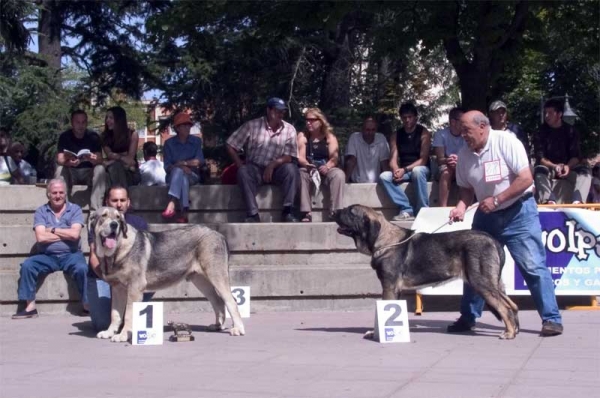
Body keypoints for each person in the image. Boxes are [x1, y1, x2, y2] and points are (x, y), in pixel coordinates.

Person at [447, 111, 563, 337]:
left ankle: (551, 319)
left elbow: (526, 178)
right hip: (486, 216)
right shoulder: (464, 154)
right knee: (473, 267)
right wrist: (460, 206)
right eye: (461, 132)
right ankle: (468, 317)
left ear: (482, 127)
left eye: (467, 131)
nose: (464, 136)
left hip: (519, 213)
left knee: (532, 266)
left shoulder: (507, 141)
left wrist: (498, 199)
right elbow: (466, 189)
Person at [12, 178, 88, 319]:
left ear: (66, 194)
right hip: (47, 256)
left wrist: (52, 230)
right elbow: (41, 238)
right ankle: (30, 308)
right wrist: (66, 233)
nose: (58, 196)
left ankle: (87, 306)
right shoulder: (41, 211)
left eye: (61, 192)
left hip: (71, 254)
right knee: (28, 266)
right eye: (54, 193)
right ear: (48, 194)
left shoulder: (75, 209)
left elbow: (75, 234)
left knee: (82, 268)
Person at [87, 185, 152, 331]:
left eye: (123, 200)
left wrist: (125, 283)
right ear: (107, 201)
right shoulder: (97, 222)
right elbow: (94, 257)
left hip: (128, 278)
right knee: (102, 324)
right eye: (114, 200)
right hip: (102, 276)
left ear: (128, 202)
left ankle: (129, 315)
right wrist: (111, 280)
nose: (119, 204)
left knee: (147, 279)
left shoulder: (139, 223)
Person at [226, 97, 299, 223]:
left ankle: (288, 211)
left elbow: (290, 156)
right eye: (277, 111)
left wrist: (274, 164)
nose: (280, 114)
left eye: (282, 112)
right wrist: (239, 164)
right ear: (268, 110)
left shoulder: (289, 129)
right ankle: (252, 214)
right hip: (255, 168)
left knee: (292, 169)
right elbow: (230, 145)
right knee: (243, 172)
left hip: (277, 168)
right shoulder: (252, 125)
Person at [533, 98, 591, 204]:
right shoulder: (540, 132)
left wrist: (567, 166)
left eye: (550, 113)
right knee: (539, 171)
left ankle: (578, 201)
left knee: (585, 172)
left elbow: (576, 156)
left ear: (559, 114)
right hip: (549, 169)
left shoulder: (571, 131)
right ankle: (548, 200)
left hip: (568, 169)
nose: (546, 116)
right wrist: (555, 166)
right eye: (545, 113)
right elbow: (540, 158)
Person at [379, 102, 431, 220]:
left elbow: (423, 160)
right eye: (404, 117)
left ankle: (423, 210)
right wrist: (396, 170)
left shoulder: (424, 133)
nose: (407, 120)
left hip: (421, 170)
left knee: (417, 171)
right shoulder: (396, 135)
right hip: (404, 171)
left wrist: (405, 169)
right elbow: (393, 158)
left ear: (415, 117)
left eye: (410, 117)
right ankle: (407, 209)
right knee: (384, 176)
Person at [297, 108, 345, 222]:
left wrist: (327, 166)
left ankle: (335, 211)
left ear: (320, 121)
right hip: (309, 167)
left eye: (312, 120)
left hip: (326, 167)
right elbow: (300, 158)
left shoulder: (329, 137)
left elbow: (334, 158)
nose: (308, 122)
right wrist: (308, 165)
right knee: (301, 173)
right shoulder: (303, 136)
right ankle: (306, 212)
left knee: (339, 174)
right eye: (307, 120)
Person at [55, 110, 107, 210]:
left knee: (100, 169)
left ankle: (95, 209)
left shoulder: (93, 136)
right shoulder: (65, 136)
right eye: (77, 122)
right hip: (71, 172)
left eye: (83, 122)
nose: (80, 125)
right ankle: (62, 208)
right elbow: (60, 158)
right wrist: (68, 162)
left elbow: (100, 158)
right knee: (59, 169)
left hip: (88, 172)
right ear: (72, 123)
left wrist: (93, 159)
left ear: (87, 123)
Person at [162, 112, 204, 223]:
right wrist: (180, 168)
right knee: (180, 175)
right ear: (177, 128)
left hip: (192, 174)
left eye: (189, 125)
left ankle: (172, 202)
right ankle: (184, 213)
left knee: (182, 174)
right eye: (184, 125)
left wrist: (184, 164)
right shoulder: (169, 144)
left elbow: (199, 161)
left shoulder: (196, 141)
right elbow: (167, 167)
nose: (188, 127)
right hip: (174, 176)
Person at [432, 107, 466, 207]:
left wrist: (459, 161)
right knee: (446, 172)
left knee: (463, 172)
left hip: (462, 165)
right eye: (462, 121)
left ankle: (463, 205)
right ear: (453, 122)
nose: (465, 123)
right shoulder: (440, 134)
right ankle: (442, 207)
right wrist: (449, 160)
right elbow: (440, 159)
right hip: (445, 166)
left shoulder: (466, 134)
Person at [101, 106, 139, 187]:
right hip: (113, 170)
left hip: (130, 173)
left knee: (115, 167)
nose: (107, 120)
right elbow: (109, 154)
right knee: (112, 169)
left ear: (119, 119)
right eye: (107, 117)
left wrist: (112, 160)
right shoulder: (104, 136)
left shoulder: (132, 135)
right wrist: (123, 156)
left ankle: (121, 197)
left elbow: (130, 160)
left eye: (111, 118)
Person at [344, 117, 390, 183]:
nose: (370, 132)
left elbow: (384, 163)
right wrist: (345, 182)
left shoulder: (381, 138)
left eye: (373, 130)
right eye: (367, 130)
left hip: (376, 183)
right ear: (362, 130)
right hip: (357, 182)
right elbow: (351, 161)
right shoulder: (354, 138)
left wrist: (388, 182)